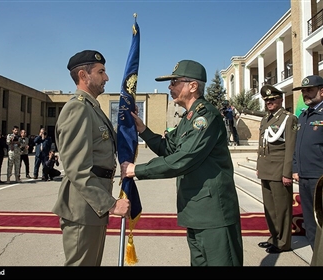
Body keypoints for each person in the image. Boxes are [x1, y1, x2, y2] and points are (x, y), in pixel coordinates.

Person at [120, 59, 243, 266]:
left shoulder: (205, 117)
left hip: (213, 213)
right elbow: (168, 148)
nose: (170, 86)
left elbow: (183, 159)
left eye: (175, 82)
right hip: (195, 210)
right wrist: (143, 130)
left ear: (193, 86)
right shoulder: (188, 118)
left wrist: (137, 170)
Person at [51, 50, 130, 266]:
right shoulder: (77, 109)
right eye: (101, 72)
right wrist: (110, 204)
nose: (106, 77)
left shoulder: (93, 108)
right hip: (83, 208)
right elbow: (77, 168)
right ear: (84, 76)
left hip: (92, 207)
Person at [256, 85, 298, 254]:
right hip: (266, 169)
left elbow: (290, 148)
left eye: (272, 100)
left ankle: (283, 243)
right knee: (270, 208)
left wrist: (287, 173)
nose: (269, 103)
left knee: (282, 209)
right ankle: (274, 237)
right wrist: (259, 167)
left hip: (280, 170)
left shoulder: (289, 118)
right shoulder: (266, 119)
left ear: (281, 99)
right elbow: (262, 146)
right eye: (267, 101)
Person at [292, 75, 323, 250]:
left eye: (309, 90)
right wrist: (295, 168)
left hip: (320, 178)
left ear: (322, 91)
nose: (306, 94)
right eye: (304, 91)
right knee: (310, 222)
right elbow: (297, 146)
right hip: (304, 177)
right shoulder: (303, 116)